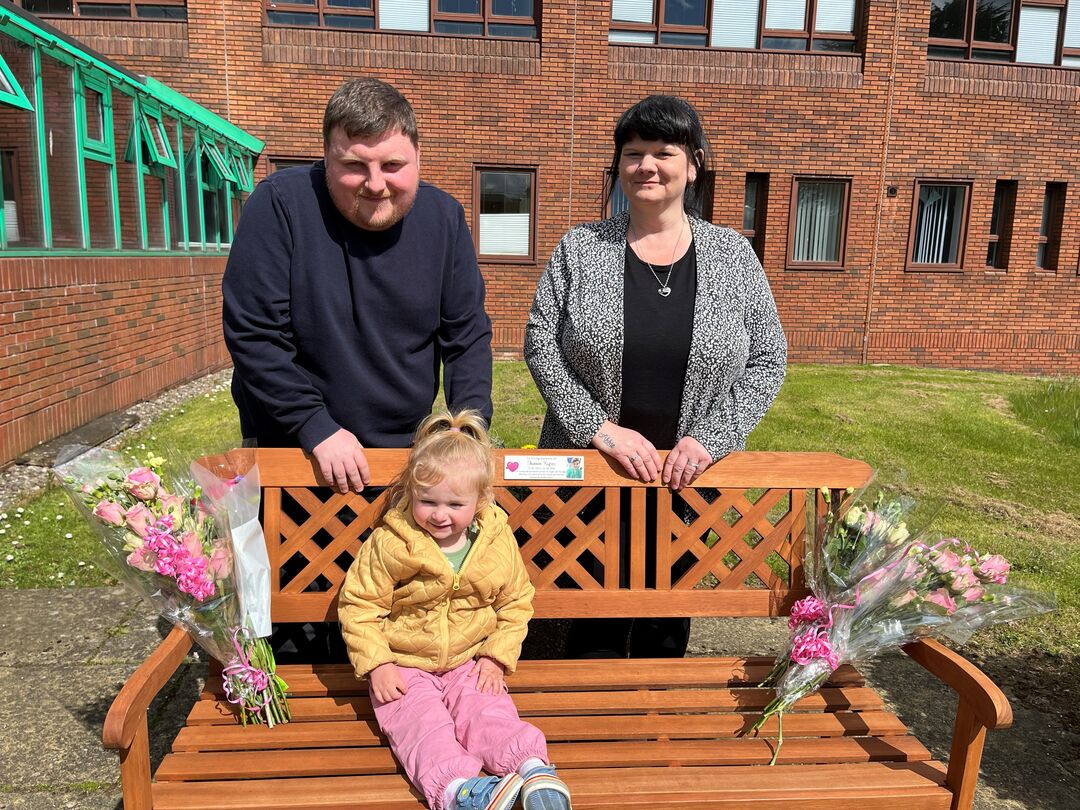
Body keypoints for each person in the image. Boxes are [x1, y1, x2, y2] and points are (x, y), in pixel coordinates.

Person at [523, 94, 787, 659]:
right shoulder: (580, 247)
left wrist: (710, 440)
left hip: (684, 480)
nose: (646, 165)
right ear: (619, 167)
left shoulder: (734, 255)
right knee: (582, 618)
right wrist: (598, 428)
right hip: (592, 474)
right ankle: (583, 729)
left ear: (692, 165)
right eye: (633, 152)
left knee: (664, 626)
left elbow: (768, 358)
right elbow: (540, 344)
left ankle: (655, 728)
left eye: (663, 152)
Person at [222, 78, 493, 494]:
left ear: (418, 157)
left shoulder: (444, 219)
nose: (376, 183)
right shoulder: (280, 205)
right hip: (297, 452)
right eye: (354, 165)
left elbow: (466, 336)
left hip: (403, 455)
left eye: (392, 165)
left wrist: (468, 432)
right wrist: (315, 427)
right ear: (327, 158)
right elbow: (255, 334)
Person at [338, 410, 573, 810]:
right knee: (421, 725)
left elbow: (516, 601)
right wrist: (378, 664)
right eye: (427, 501)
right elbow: (359, 604)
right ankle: (457, 790)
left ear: (480, 500)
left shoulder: (495, 541)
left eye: (454, 504)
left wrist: (496, 656)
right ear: (410, 492)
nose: (439, 514)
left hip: (469, 659)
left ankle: (532, 769)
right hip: (404, 664)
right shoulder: (391, 543)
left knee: (488, 711)